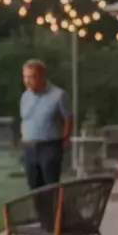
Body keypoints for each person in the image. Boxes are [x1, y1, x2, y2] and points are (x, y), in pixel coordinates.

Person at [18, 60, 73, 189]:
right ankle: (38, 210)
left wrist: (65, 140)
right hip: (29, 147)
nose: (27, 81)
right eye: (25, 76)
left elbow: (68, 118)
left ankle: (54, 209)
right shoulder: (25, 96)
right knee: (33, 186)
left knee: (50, 187)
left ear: (42, 76)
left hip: (49, 146)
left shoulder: (59, 95)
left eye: (31, 77)